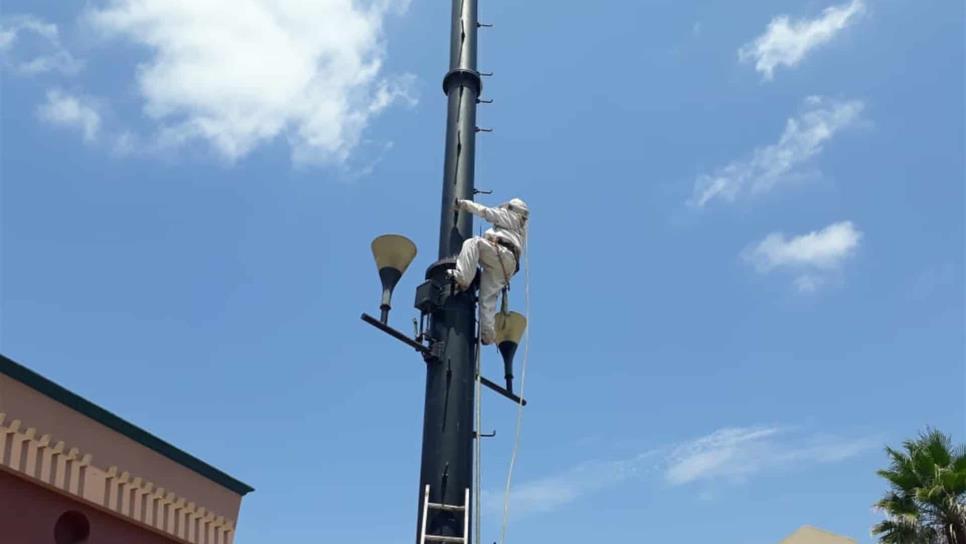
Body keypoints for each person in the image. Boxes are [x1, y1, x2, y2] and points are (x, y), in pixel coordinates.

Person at [448, 197, 529, 345]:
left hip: (500, 253)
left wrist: (462, 204)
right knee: (487, 299)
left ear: (512, 208)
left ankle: (462, 278)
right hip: (507, 265)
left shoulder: (508, 216)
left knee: (473, 243)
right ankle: (488, 335)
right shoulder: (520, 227)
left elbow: (485, 212)